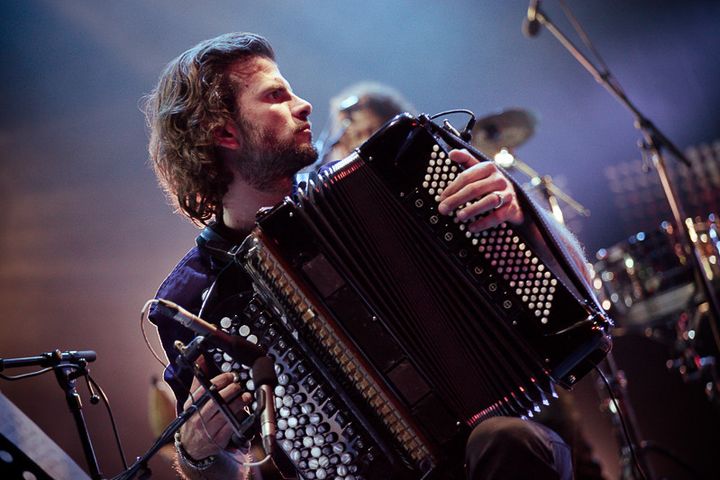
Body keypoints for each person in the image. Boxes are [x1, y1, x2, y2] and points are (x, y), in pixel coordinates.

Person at [144, 32, 579, 480]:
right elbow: (228, 468)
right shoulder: (193, 298)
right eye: (276, 95)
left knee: (508, 440)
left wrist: (524, 216)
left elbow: (576, 303)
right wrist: (198, 453)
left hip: (480, 452)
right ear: (224, 132)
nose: (304, 104)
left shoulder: (384, 183)